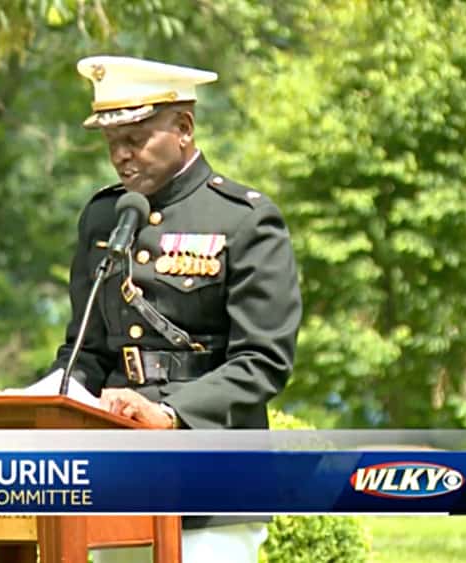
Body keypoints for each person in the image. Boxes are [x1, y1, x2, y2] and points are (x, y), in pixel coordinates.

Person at [47, 56, 303, 562]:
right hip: (117, 477)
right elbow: (86, 351)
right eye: (112, 143)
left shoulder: (244, 219)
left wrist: (171, 414)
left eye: (136, 138)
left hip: (211, 479)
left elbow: (264, 360)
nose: (122, 156)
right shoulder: (104, 216)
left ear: (183, 127)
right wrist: (40, 402)